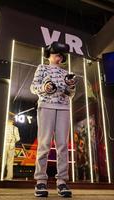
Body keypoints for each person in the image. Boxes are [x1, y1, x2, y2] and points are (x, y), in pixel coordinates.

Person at [30, 41, 76, 197]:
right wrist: (46, 87)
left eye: (61, 56)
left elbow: (70, 94)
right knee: (44, 144)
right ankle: (41, 181)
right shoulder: (42, 68)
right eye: (57, 54)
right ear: (49, 55)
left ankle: (62, 181)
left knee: (63, 145)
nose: (59, 58)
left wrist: (70, 86)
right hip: (46, 106)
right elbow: (33, 87)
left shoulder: (65, 73)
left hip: (64, 108)